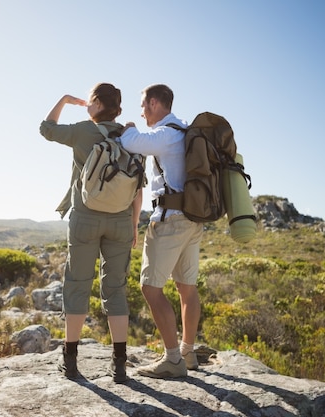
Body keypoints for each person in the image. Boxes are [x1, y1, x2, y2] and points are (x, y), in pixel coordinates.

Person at [39, 83, 143, 383]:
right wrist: (134, 225)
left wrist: (63, 100)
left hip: (85, 217)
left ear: (97, 103)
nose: (87, 105)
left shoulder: (84, 131)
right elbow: (137, 187)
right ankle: (119, 365)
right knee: (115, 290)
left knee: (77, 285)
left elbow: (46, 128)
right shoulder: (130, 136)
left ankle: (70, 363)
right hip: (121, 221)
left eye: (90, 100)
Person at [119, 84, 203, 378]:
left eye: (143, 106)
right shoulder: (186, 131)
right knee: (187, 288)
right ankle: (187, 352)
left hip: (169, 220)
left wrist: (128, 127)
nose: (141, 113)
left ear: (154, 103)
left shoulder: (165, 134)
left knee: (150, 288)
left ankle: (172, 360)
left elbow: (131, 141)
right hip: (193, 219)